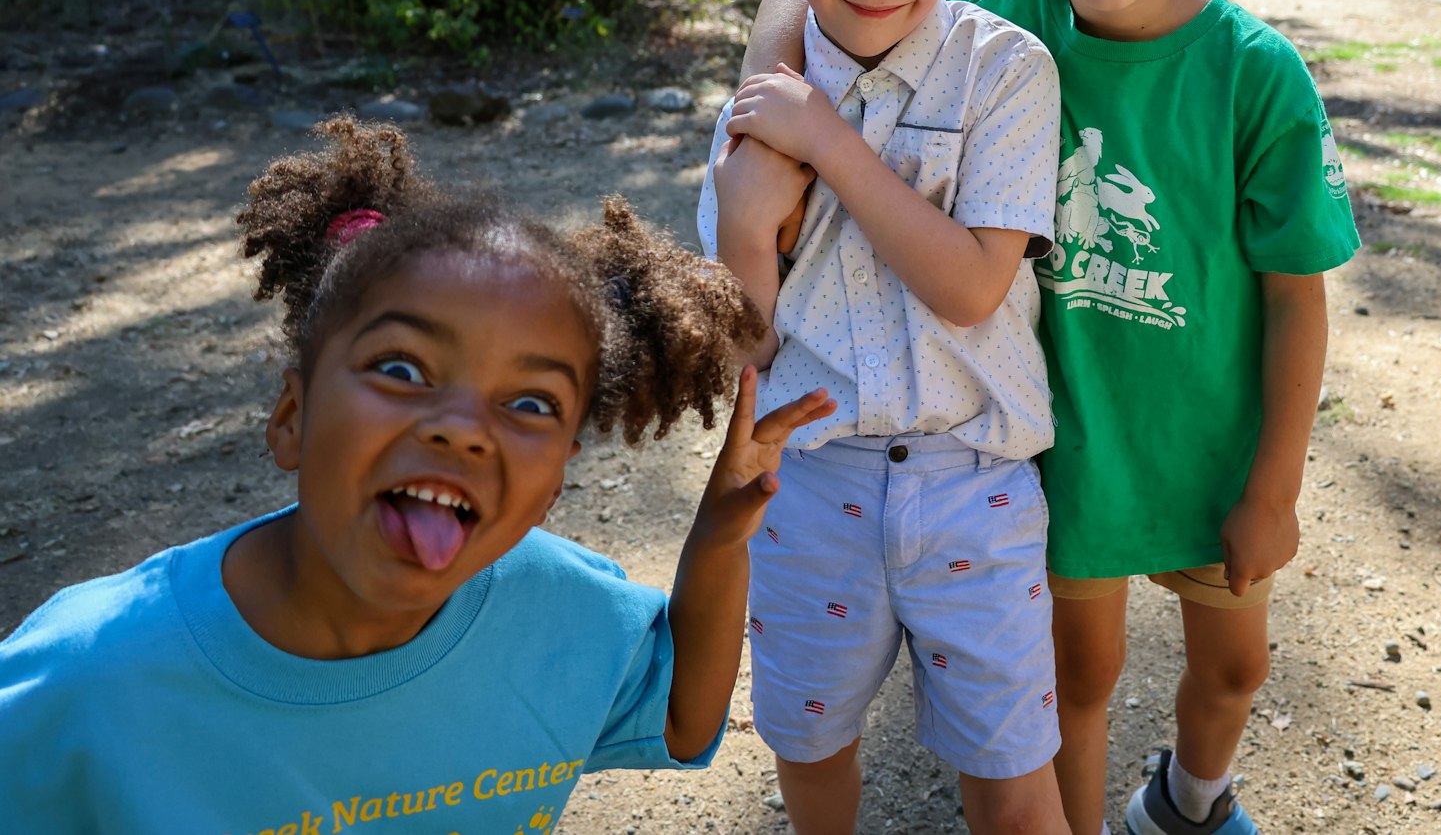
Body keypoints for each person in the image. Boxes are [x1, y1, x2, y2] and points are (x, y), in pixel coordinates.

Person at [740, 0, 1361, 835]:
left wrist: (1272, 486)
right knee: (1073, 684)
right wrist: (763, 80)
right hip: (1066, 458)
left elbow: (1294, 293)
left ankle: (1188, 801)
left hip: (1210, 455)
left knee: (1230, 672)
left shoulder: (1253, 72)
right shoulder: (998, 29)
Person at [0, 115, 832, 831]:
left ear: (553, 487)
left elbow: (685, 721)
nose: (464, 430)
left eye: (533, 404)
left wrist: (721, 533)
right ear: (292, 417)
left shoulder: (559, 612)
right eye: (401, 370)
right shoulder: (86, 677)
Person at [697, 0, 1067, 835]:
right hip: (810, 485)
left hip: (973, 477)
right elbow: (745, 342)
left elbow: (968, 288)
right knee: (811, 748)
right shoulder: (760, 103)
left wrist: (826, 145)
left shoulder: (1004, 70)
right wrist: (749, 221)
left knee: (1008, 777)